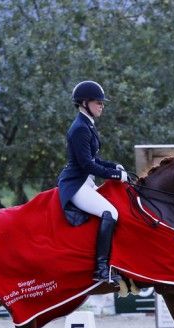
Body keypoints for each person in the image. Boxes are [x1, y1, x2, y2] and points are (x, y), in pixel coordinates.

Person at [57, 81, 127, 286]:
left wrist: (114, 166)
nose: (102, 106)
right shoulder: (79, 128)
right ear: (84, 102)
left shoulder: (87, 124)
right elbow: (87, 165)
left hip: (86, 182)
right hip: (77, 184)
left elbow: (93, 158)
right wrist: (114, 176)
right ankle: (101, 269)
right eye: (98, 102)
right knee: (110, 213)